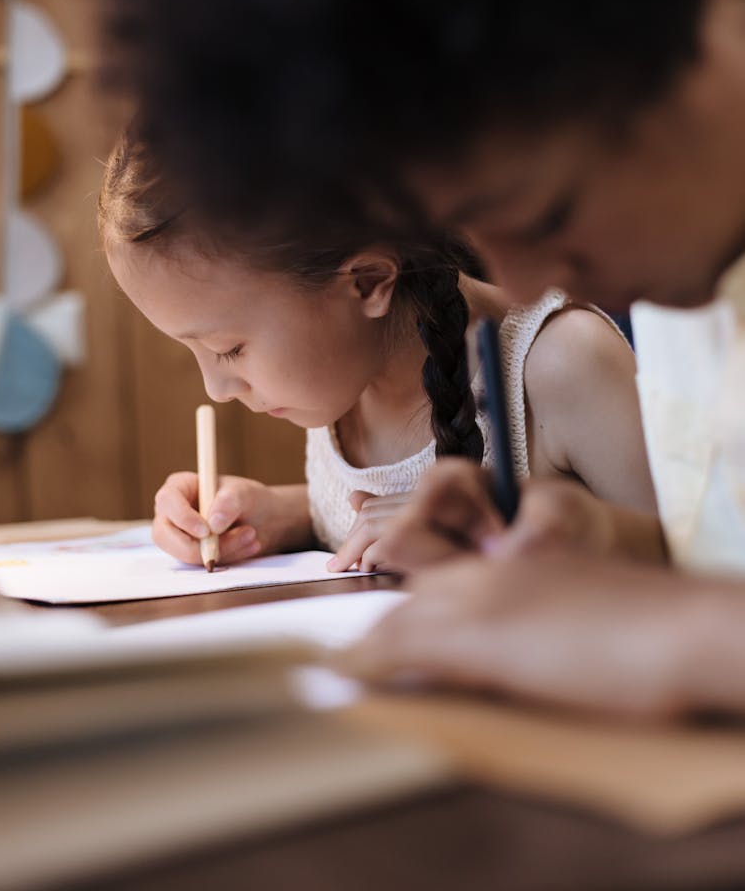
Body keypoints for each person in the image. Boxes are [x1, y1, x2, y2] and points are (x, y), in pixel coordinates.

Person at [70, 0, 745, 715]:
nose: (539, 287)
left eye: (549, 208)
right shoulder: (687, 298)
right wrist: (590, 535)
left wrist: (674, 637)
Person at [99, 130, 656, 572]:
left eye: (229, 349)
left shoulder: (560, 364)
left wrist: (501, 532)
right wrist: (286, 514)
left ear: (367, 283)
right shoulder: (343, 373)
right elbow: (380, 508)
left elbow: (707, 560)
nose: (216, 390)